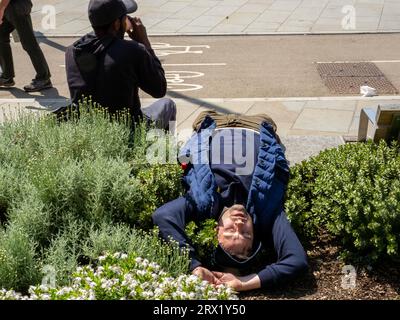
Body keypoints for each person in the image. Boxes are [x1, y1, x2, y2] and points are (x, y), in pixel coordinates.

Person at [152, 111, 308, 292]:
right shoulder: (267, 213)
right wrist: (243, 283)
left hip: (212, 122)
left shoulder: (203, 205)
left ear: (216, 230)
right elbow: (297, 260)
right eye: (246, 234)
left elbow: (162, 216)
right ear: (255, 235)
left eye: (230, 230)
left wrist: (193, 265)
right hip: (257, 126)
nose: (239, 223)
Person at [65, 0, 176, 131]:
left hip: (88, 131)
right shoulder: (133, 51)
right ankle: (163, 151)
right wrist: (145, 43)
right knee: (168, 105)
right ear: (117, 24)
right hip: (127, 131)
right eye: (125, 17)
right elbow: (159, 89)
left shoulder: (72, 51)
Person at [0, 0, 52, 91]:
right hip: (8, 6)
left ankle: (44, 78)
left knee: (29, 43)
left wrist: (1, 9)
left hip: (17, 6)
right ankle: (7, 77)